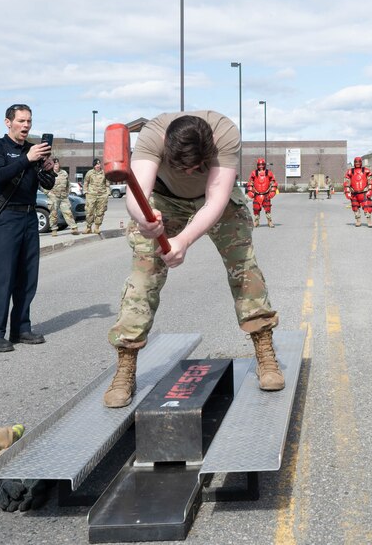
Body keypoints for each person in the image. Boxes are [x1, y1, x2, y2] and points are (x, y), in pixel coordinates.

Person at [103, 111, 284, 408]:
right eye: (182, 167)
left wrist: (183, 241)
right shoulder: (152, 136)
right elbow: (137, 196)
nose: (189, 173)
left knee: (244, 267)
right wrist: (144, 219)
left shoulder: (225, 133)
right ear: (166, 143)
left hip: (215, 201)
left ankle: (265, 351)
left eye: (196, 167)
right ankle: (125, 367)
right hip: (163, 200)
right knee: (143, 275)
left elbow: (216, 200)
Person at [0, 104, 55, 353]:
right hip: (6, 218)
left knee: (27, 277)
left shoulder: (33, 150)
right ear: (8, 122)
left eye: (29, 121)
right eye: (21, 121)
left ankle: (21, 328)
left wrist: (47, 170)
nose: (26, 125)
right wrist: (27, 159)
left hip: (29, 217)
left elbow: (48, 185)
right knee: (4, 277)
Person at [46, 158, 79, 236]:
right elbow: (44, 185)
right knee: (53, 214)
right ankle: (54, 229)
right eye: (54, 164)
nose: (56, 165)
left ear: (59, 164)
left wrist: (67, 192)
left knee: (68, 212)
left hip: (63, 197)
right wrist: (48, 193)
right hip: (53, 196)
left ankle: (74, 228)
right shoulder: (48, 173)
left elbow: (68, 184)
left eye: (57, 164)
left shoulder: (64, 173)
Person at [247, 158, 279, 227]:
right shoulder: (254, 173)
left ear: (264, 165)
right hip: (257, 194)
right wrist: (250, 191)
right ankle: (256, 221)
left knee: (268, 208)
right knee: (256, 209)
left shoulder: (269, 173)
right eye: (259, 165)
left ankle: (269, 221)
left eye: (262, 164)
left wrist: (273, 191)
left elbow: (273, 182)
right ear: (257, 165)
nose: (261, 166)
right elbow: (250, 182)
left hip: (266, 194)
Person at [344, 157, 372, 227]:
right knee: (355, 208)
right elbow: (346, 182)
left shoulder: (366, 170)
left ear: (361, 162)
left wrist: (370, 191)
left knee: (367, 207)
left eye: (358, 162)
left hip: (364, 193)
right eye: (356, 162)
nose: (357, 163)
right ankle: (358, 221)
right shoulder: (350, 171)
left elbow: (370, 181)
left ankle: (369, 221)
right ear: (354, 162)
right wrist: (347, 192)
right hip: (354, 194)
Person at [83, 158, 110, 235]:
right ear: (94, 166)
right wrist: (86, 192)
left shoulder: (104, 173)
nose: (98, 165)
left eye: (99, 164)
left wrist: (107, 193)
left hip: (102, 195)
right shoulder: (89, 173)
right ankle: (88, 228)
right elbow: (86, 183)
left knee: (100, 212)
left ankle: (97, 228)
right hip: (91, 195)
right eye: (96, 164)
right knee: (89, 211)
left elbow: (107, 184)